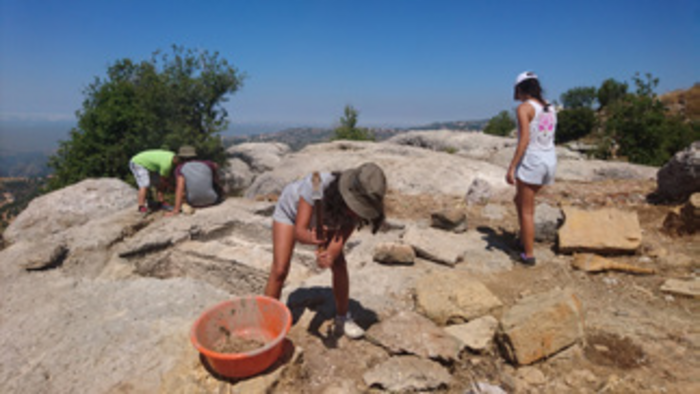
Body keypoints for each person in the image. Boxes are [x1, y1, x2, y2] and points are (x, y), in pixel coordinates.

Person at [264, 163, 387, 339]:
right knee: (280, 269)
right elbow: (299, 232)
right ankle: (267, 323)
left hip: (326, 219)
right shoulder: (316, 185)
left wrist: (327, 257)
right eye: (356, 207)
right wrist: (312, 239)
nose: (356, 213)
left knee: (339, 265)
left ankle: (342, 318)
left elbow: (336, 245)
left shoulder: (355, 213)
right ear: (345, 195)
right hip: (291, 213)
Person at [506, 71, 557, 266]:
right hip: (549, 160)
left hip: (532, 162)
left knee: (527, 211)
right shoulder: (550, 107)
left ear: (520, 88)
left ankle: (528, 254)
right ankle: (523, 239)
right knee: (519, 200)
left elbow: (525, 140)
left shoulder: (524, 108)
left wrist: (511, 167)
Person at [165, 145, 222, 217]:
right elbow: (216, 165)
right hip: (213, 200)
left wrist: (176, 210)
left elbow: (180, 188)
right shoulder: (208, 164)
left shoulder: (179, 168)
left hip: (194, 202)